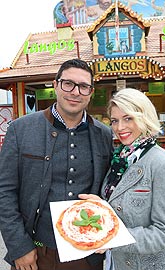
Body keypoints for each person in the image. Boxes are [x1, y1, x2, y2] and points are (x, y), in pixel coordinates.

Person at [0, 59, 113, 270]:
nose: (75, 92)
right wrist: (19, 247)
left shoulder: (104, 134)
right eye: (68, 83)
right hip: (35, 252)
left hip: (87, 255)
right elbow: (4, 191)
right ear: (56, 85)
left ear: (91, 92)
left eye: (83, 87)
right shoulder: (20, 129)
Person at [79, 88, 165, 270]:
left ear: (144, 117)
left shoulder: (164, 165)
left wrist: (113, 238)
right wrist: (101, 206)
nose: (119, 128)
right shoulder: (120, 158)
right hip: (116, 263)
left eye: (128, 118)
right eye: (115, 121)